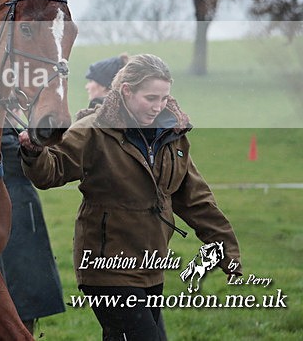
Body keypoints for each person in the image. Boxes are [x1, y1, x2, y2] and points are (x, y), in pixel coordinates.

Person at [19, 54, 241, 340]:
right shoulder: (93, 130)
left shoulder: (173, 136)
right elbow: (52, 170)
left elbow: (197, 201)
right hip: (106, 267)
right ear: (126, 91)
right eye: (150, 98)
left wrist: (227, 251)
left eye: (164, 98)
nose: (158, 106)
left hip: (152, 266)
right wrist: (34, 152)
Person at [0, 123, 65, 334]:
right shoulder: (2, 134)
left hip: (21, 211)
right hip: (15, 213)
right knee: (21, 288)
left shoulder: (7, 129)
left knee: (24, 289)